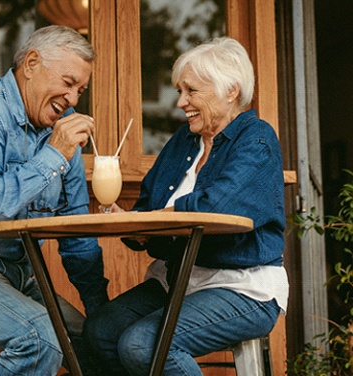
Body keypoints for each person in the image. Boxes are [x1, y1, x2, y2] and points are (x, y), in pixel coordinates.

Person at [83, 36, 289, 375]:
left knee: (142, 344)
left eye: (191, 91)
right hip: (176, 280)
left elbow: (215, 207)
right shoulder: (183, 141)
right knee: (101, 332)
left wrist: (151, 220)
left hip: (241, 286)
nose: (180, 102)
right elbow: (150, 205)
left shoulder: (257, 138)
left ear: (230, 90)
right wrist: (134, 226)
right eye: (180, 91)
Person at [0, 25, 109, 375]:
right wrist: (53, 156)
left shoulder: (61, 129)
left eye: (81, 90)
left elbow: (76, 231)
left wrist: (100, 313)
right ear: (32, 63)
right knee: (40, 337)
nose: (74, 99)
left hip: (17, 275)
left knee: (101, 346)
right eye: (68, 83)